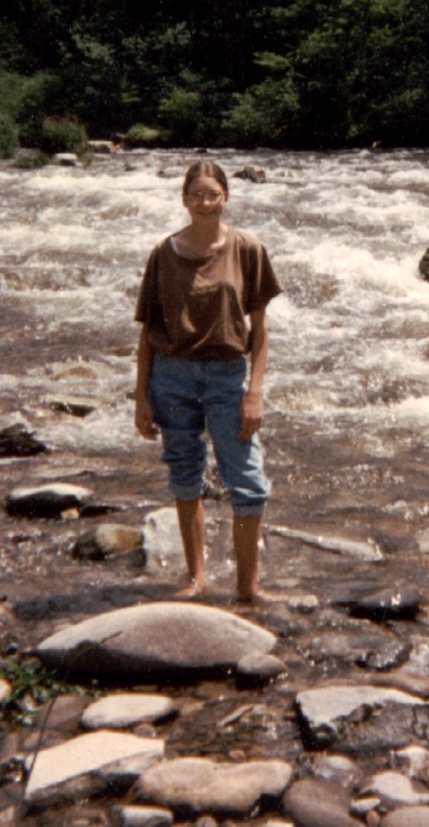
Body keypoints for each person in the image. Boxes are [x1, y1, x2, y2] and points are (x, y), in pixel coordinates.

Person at [134, 159, 281, 603]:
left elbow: (260, 332)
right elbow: (146, 334)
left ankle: (247, 588)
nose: (204, 202)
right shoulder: (163, 253)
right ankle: (196, 578)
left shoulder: (248, 249)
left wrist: (254, 392)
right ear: (184, 199)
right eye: (196, 194)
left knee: (249, 483)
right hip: (172, 376)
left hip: (228, 377)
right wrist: (141, 397)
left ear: (226, 198)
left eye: (212, 194)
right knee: (185, 476)